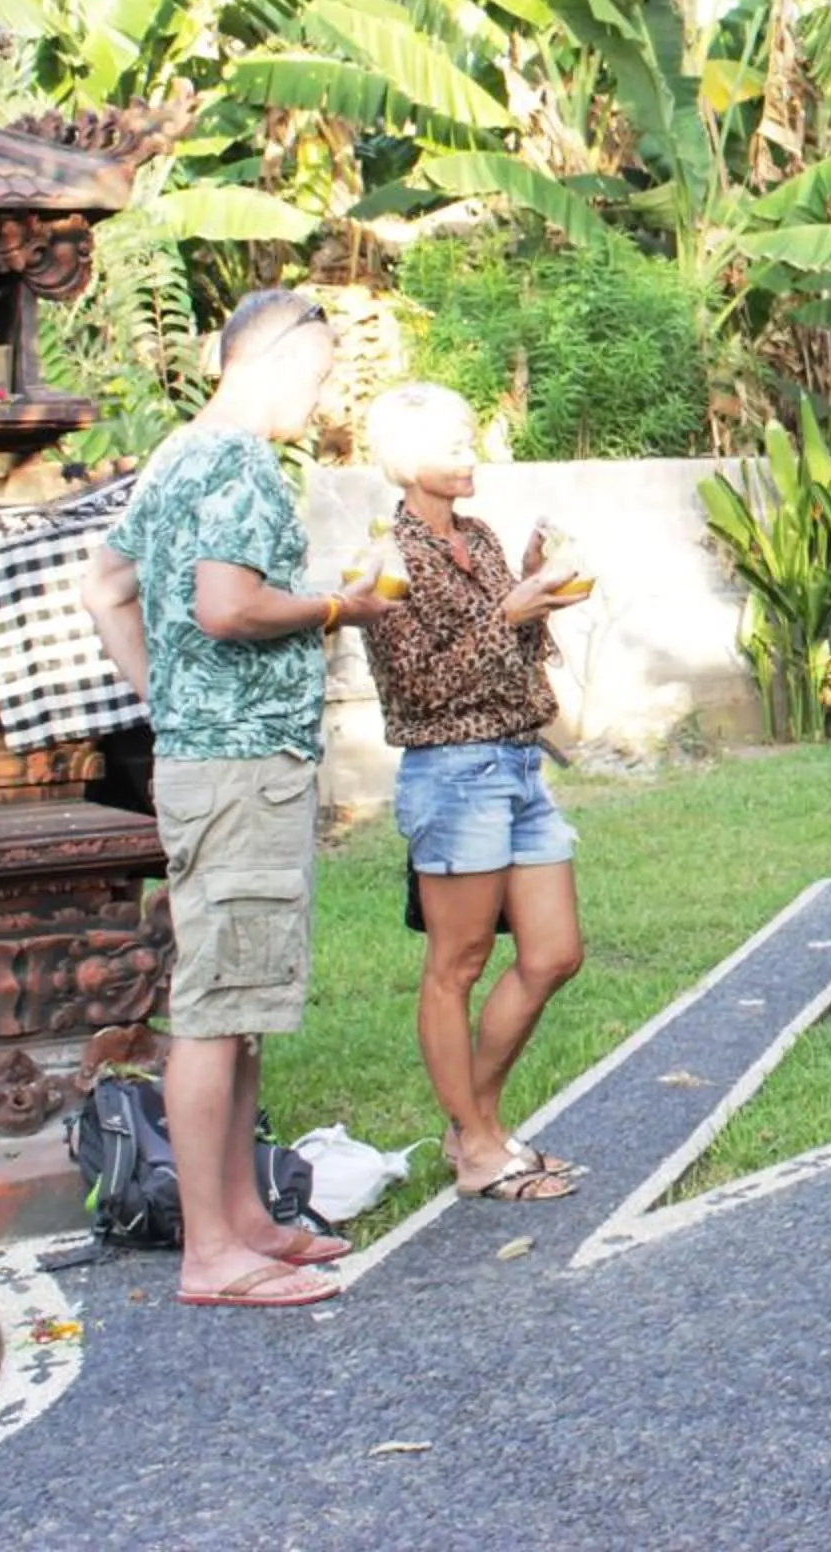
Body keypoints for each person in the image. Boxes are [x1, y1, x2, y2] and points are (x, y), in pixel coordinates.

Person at [79, 289, 393, 1309]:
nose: (321, 393)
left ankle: (249, 1216)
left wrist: (162, 699)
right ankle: (211, 1252)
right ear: (264, 362)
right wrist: (345, 605)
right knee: (215, 1010)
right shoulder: (240, 457)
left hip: (206, 759)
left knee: (241, 998)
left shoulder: (174, 454)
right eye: (314, 374)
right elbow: (228, 605)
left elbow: (106, 587)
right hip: (244, 763)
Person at [358, 383, 593, 1203]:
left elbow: (505, 649)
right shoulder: (390, 554)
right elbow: (419, 686)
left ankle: (476, 1125)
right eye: (450, 445)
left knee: (555, 952)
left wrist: (533, 592)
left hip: (519, 764)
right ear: (404, 459)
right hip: (452, 772)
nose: (469, 456)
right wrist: (512, 609)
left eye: (470, 441)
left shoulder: (481, 538)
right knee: (456, 964)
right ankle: (479, 1151)